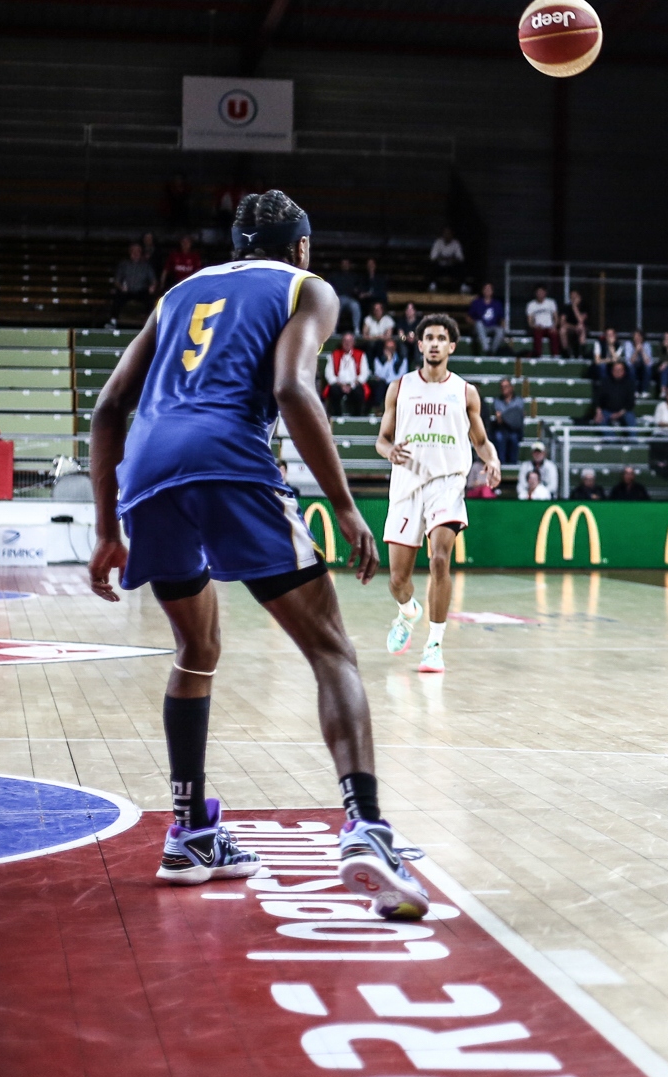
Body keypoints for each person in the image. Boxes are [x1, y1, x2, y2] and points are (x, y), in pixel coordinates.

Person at [87, 190, 430, 917]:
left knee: (196, 648)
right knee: (332, 649)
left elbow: (107, 406)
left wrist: (104, 531)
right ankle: (366, 826)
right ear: (301, 247)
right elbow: (290, 386)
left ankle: (189, 832)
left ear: (238, 243)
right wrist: (343, 504)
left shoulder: (179, 290)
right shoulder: (309, 288)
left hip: (148, 469)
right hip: (227, 456)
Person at [377, 313, 500, 676]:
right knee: (398, 580)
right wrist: (389, 452)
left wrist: (491, 461)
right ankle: (407, 612)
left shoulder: (465, 391)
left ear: (451, 346)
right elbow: (382, 439)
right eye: (427, 337)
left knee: (440, 560)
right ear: (419, 344)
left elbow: (480, 440)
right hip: (406, 484)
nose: (433, 343)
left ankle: (434, 646)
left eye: (440, 338)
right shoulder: (399, 387)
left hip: (446, 482)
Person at [323, 331, 371, 417]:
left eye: (350, 341)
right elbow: (329, 373)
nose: (347, 343)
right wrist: (341, 385)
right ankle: (337, 416)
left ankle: (357, 416)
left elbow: (365, 373)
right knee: (334, 390)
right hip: (339, 384)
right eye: (345, 341)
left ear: (353, 342)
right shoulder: (334, 355)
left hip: (354, 384)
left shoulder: (361, 355)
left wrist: (352, 385)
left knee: (359, 391)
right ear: (342, 342)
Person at [111, 242, 158, 325]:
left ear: (141, 252)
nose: (135, 253)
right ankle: (113, 320)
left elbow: (153, 280)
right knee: (117, 298)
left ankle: (150, 324)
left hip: (141, 291)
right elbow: (117, 280)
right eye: (133, 251)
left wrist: (152, 286)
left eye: (138, 251)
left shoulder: (146, 265)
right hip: (127, 291)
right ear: (130, 252)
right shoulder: (124, 265)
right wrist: (121, 287)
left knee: (151, 300)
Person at [489, 377, 528, 465]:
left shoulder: (519, 401)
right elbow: (499, 419)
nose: (504, 389)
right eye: (502, 387)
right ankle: (501, 463)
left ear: (511, 387)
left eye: (506, 386)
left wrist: (505, 416)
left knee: (514, 438)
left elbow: (517, 418)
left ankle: (512, 464)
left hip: (515, 430)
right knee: (499, 437)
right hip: (501, 429)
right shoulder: (497, 401)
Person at [592, 359, 637, 433]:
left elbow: (631, 402)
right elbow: (597, 398)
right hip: (607, 411)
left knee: (631, 418)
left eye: (620, 370)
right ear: (612, 370)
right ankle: (611, 440)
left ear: (624, 371)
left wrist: (620, 413)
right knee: (599, 418)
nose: (618, 372)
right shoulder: (605, 382)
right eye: (615, 369)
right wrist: (598, 411)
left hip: (624, 411)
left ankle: (633, 441)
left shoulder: (629, 383)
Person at [327, 258, 366, 334]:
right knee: (336, 307)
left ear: (349, 265)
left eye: (347, 263)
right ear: (341, 265)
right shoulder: (335, 275)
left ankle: (356, 329)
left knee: (356, 306)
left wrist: (357, 292)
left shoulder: (354, 276)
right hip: (338, 299)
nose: (345, 265)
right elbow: (328, 286)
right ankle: (333, 329)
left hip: (350, 299)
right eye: (343, 263)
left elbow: (358, 289)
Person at [468, 283, 507, 356]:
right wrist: (474, 323)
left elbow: (502, 318)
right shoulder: (476, 302)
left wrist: (503, 327)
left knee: (500, 330)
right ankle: (486, 348)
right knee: (479, 323)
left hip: (492, 327)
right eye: (486, 289)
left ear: (492, 291)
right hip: (479, 328)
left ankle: (492, 351)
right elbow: (468, 317)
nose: (487, 291)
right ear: (482, 291)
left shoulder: (497, 304)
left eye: (489, 289)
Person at [524, 286, 559, 357]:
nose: (540, 294)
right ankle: (538, 355)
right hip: (538, 327)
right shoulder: (531, 305)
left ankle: (555, 355)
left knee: (554, 334)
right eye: (538, 292)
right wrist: (534, 326)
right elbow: (530, 321)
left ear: (545, 293)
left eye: (542, 292)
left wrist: (554, 326)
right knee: (537, 333)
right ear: (535, 293)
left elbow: (556, 317)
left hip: (550, 327)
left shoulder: (551, 302)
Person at [428, 227, 466, 292]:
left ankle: (462, 285)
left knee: (461, 266)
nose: (447, 235)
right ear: (443, 234)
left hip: (451, 267)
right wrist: (446, 258)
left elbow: (460, 258)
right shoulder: (438, 242)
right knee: (431, 265)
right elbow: (433, 257)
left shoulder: (456, 243)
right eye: (445, 233)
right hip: (440, 266)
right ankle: (432, 284)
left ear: (452, 234)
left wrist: (450, 259)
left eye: (449, 233)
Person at [558, 289, 588, 357]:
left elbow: (581, 320)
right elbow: (562, 322)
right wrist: (573, 327)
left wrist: (574, 307)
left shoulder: (584, 307)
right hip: (570, 327)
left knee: (581, 327)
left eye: (575, 297)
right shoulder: (566, 307)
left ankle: (582, 352)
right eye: (572, 297)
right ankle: (565, 352)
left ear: (579, 297)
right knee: (562, 330)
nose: (573, 299)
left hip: (581, 328)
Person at [627, 330, 655, 395]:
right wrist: (636, 351)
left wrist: (642, 350)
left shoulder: (647, 345)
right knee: (631, 369)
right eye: (635, 336)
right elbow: (630, 362)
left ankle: (644, 391)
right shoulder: (628, 344)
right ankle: (634, 390)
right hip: (633, 366)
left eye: (639, 336)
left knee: (648, 368)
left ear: (642, 337)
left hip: (643, 367)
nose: (637, 338)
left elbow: (648, 362)